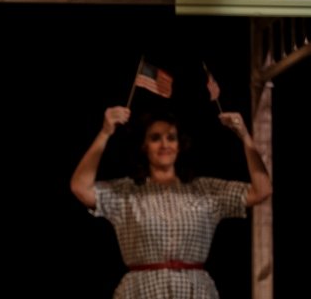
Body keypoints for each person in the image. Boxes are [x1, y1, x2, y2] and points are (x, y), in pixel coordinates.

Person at [70, 106, 272, 299]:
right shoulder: (127, 192)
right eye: (155, 138)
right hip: (141, 291)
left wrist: (244, 136)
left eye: (171, 138)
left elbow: (262, 190)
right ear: (144, 145)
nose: (164, 144)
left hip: (195, 291)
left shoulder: (205, 190)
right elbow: (80, 187)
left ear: (179, 144)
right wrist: (105, 132)